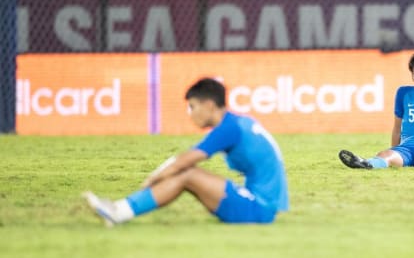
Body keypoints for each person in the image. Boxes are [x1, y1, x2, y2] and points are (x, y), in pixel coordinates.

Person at [83, 78, 289, 226]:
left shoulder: (229, 128)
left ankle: (119, 211)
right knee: (185, 173)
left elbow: (186, 159)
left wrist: (154, 178)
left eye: (192, 107)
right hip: (260, 205)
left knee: (187, 173)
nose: (190, 114)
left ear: (209, 105)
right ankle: (120, 210)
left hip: (258, 210)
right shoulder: (236, 123)